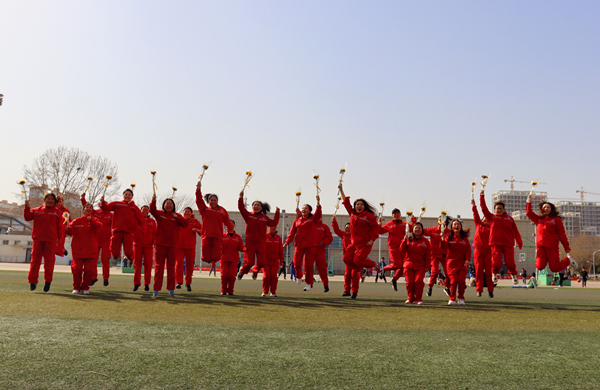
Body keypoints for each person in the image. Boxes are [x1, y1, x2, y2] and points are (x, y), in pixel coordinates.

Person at [338, 183, 379, 299]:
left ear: (364, 206)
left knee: (357, 260)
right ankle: (360, 270)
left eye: (361, 204)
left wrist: (372, 239)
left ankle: (375, 265)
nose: (359, 206)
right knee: (346, 259)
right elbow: (346, 203)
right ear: (355, 207)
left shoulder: (369, 216)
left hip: (365, 243)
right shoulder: (352, 214)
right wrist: (341, 189)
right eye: (357, 204)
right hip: (354, 244)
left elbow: (375, 228)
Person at [101, 189, 146, 285]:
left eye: (129, 195)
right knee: (115, 252)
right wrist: (102, 202)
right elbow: (106, 208)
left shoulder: (134, 208)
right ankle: (116, 255)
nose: (127, 196)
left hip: (128, 232)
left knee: (129, 252)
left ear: (132, 196)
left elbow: (141, 220)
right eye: (126, 194)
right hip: (116, 231)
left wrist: (143, 230)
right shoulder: (117, 204)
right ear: (123, 195)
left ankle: (131, 258)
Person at [480, 190, 523, 285]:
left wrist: (519, 242)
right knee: (496, 263)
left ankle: (513, 275)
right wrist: (482, 196)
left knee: (510, 263)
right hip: (496, 244)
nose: (499, 210)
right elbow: (483, 208)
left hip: (508, 244)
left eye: (500, 208)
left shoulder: (509, 219)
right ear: (494, 210)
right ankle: (494, 274)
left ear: (503, 209)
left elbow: (515, 231)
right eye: (497, 208)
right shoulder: (492, 218)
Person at [150, 195, 188, 297]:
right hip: (160, 245)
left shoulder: (177, 216)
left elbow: (185, 224)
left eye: (170, 203)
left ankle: (171, 289)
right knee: (159, 267)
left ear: (173, 206)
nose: (169, 205)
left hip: (172, 245)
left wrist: (178, 217)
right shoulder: (160, 214)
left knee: (171, 268)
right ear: (163, 205)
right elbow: (152, 210)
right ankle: (156, 289)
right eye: (167, 203)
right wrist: (153, 200)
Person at [526, 196, 576, 274]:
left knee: (554, 268)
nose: (546, 208)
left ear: (551, 209)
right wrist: (529, 201)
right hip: (540, 246)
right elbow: (529, 213)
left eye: (548, 207)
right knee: (539, 266)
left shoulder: (556, 220)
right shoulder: (538, 219)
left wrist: (566, 247)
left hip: (552, 246)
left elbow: (562, 234)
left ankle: (568, 260)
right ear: (541, 209)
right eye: (544, 207)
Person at [23, 193, 62, 292]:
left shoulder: (57, 212)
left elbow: (60, 227)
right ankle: (32, 281)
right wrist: (27, 207)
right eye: (48, 199)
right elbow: (27, 217)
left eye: (52, 199)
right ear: (44, 200)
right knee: (35, 261)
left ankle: (47, 282)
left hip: (51, 240)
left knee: (49, 262)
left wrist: (60, 239)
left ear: (54, 201)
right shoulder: (37, 210)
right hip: (38, 239)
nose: (50, 201)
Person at [237, 190, 280, 280]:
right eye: (254, 205)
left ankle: (255, 272)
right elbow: (241, 208)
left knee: (261, 263)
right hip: (250, 242)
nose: (256, 206)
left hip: (261, 242)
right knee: (249, 262)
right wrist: (240, 198)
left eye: (258, 205)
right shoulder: (248, 216)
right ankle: (242, 272)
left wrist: (277, 213)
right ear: (252, 207)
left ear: (261, 208)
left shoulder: (264, 218)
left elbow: (273, 223)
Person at [283, 196, 322, 291]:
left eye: (305, 208)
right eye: (302, 208)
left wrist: (318, 203)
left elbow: (318, 213)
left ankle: (309, 283)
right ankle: (299, 276)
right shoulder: (297, 221)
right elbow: (292, 233)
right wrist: (287, 242)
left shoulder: (313, 219)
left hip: (310, 245)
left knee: (308, 265)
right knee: (296, 264)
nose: (303, 209)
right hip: (299, 245)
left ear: (309, 211)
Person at [195, 182, 234, 269]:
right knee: (205, 257)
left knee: (216, 257)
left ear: (217, 201)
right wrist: (198, 189)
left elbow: (227, 221)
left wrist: (230, 229)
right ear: (208, 201)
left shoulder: (222, 210)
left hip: (217, 236)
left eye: (215, 200)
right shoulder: (205, 210)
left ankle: (213, 262)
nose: (213, 202)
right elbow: (199, 201)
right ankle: (208, 260)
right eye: (211, 200)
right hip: (207, 235)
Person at [66, 203, 102, 294]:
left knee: (89, 270)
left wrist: (91, 221)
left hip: (90, 250)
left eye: (90, 208)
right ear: (83, 210)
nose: (88, 209)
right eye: (86, 207)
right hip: (78, 249)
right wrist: (67, 229)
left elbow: (99, 228)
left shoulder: (95, 220)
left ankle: (85, 287)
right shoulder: (76, 221)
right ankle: (76, 287)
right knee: (77, 269)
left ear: (92, 211)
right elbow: (69, 232)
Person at [81, 193, 113, 286]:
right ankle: (93, 277)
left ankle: (106, 278)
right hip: (95, 239)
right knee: (93, 259)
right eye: (101, 203)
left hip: (107, 240)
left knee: (105, 260)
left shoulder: (111, 215)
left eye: (105, 203)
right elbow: (87, 207)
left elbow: (114, 226)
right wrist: (82, 199)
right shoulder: (95, 212)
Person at [379, 208, 415, 290]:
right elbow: (380, 231)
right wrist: (379, 223)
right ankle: (383, 269)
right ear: (392, 215)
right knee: (397, 265)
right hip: (393, 248)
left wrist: (413, 220)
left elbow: (413, 227)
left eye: (398, 213)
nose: (396, 215)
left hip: (403, 248)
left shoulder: (405, 224)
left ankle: (394, 279)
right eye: (394, 213)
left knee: (403, 267)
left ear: (400, 215)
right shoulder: (389, 224)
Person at [399, 222, 431, 305]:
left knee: (418, 282)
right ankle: (410, 298)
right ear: (412, 230)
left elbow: (428, 255)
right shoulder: (408, 239)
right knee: (409, 283)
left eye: (419, 228)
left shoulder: (426, 241)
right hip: (408, 265)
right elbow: (401, 250)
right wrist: (404, 240)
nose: (417, 230)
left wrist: (428, 265)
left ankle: (418, 298)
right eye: (415, 228)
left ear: (422, 230)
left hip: (420, 266)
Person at [442, 220, 472, 305]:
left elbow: (468, 250)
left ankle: (461, 298)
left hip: (462, 264)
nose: (456, 226)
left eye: (458, 224)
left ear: (460, 226)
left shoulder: (464, 239)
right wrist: (442, 238)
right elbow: (444, 246)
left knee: (462, 282)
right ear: (451, 227)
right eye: (454, 224)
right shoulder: (449, 237)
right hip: (451, 264)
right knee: (454, 281)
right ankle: (452, 298)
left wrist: (467, 259)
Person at [422, 215, 452, 297]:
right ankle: (430, 287)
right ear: (437, 221)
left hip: (445, 255)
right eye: (439, 220)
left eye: (443, 220)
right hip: (434, 255)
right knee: (435, 273)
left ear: (446, 222)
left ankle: (447, 287)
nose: (441, 221)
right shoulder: (433, 230)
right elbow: (422, 231)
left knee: (448, 273)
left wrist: (444, 237)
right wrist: (414, 222)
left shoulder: (449, 232)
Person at [175, 207, 202, 291]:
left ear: (191, 213)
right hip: (179, 246)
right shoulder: (179, 220)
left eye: (188, 212)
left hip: (190, 246)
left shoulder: (195, 222)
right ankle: (178, 282)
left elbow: (202, 231)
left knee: (189, 266)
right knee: (178, 264)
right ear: (183, 213)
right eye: (185, 211)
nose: (187, 213)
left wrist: (197, 230)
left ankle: (188, 283)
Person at [471, 198, 494, 298]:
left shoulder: (493, 228)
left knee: (489, 272)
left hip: (489, 251)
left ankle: (490, 290)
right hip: (478, 251)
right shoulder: (478, 225)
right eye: (484, 218)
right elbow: (475, 215)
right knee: (479, 271)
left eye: (487, 219)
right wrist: (474, 206)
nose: (485, 220)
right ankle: (479, 290)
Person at [133, 205, 156, 292]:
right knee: (137, 264)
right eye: (143, 210)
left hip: (148, 246)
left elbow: (154, 233)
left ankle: (147, 283)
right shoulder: (136, 220)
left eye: (147, 210)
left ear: (149, 211)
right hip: (137, 245)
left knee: (148, 265)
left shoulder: (152, 221)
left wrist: (154, 243)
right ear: (140, 211)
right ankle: (136, 283)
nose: (145, 211)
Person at [220, 220, 244, 295]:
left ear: (234, 225)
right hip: (224, 259)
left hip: (234, 260)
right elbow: (217, 246)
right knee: (224, 276)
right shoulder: (222, 236)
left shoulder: (238, 237)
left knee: (232, 276)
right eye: (228, 223)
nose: (230, 224)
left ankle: (230, 291)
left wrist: (247, 248)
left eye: (232, 223)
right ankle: (223, 291)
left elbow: (241, 248)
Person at [332, 217, 352, 296]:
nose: (347, 229)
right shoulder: (343, 234)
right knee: (347, 275)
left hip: (355, 259)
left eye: (349, 228)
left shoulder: (355, 235)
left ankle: (354, 291)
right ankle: (346, 291)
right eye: (346, 228)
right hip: (347, 260)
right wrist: (334, 222)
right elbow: (336, 230)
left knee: (354, 275)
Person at [313, 217, 333, 292]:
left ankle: (325, 285)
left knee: (322, 269)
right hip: (310, 250)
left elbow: (330, 237)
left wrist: (324, 242)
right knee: (308, 267)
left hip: (320, 251)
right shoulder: (310, 225)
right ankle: (309, 283)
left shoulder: (324, 227)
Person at [263, 226, 284, 297]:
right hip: (265, 260)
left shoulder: (278, 238)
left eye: (274, 226)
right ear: (268, 227)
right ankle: (265, 292)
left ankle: (273, 292)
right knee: (266, 276)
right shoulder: (264, 236)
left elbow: (281, 250)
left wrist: (281, 260)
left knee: (274, 276)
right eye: (271, 226)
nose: (273, 228)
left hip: (275, 260)